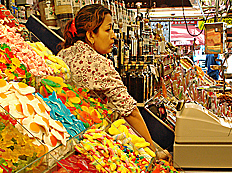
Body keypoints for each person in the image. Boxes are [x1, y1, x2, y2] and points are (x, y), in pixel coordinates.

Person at [58, 4, 169, 160]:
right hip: (95, 145)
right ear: (91, 35)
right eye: (107, 29)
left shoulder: (63, 54)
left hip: (67, 138)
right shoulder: (98, 63)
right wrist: (153, 151)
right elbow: (131, 112)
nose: (113, 35)